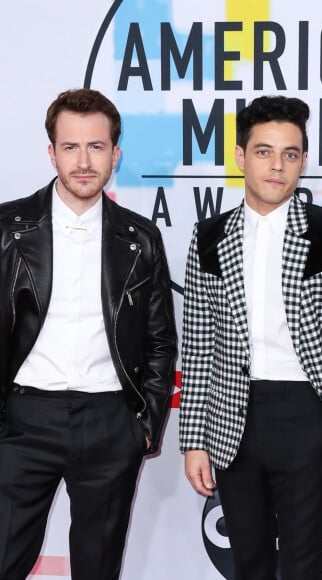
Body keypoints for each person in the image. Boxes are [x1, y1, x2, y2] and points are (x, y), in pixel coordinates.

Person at [180, 95, 322, 579]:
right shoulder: (209, 238)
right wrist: (193, 440)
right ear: (241, 157)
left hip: (307, 415)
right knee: (246, 564)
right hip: (231, 417)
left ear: (303, 162)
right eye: (264, 151)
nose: (277, 165)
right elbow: (200, 347)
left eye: (290, 154)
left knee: (305, 564)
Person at [0, 88, 177, 579]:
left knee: (98, 569)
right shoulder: (7, 228)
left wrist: (142, 426)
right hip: (21, 422)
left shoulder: (141, 238)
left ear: (115, 154)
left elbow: (161, 341)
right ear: (51, 151)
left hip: (109, 423)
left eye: (96, 147)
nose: (83, 161)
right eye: (71, 147)